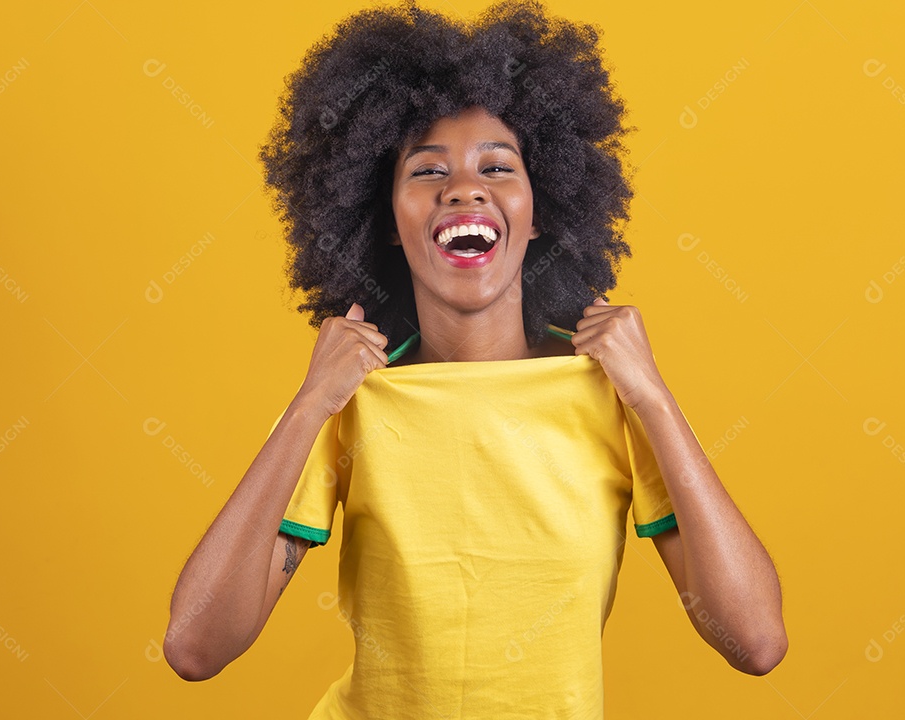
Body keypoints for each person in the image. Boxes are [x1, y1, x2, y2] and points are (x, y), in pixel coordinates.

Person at [163, 0, 788, 715]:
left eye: (498, 166)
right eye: (428, 173)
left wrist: (654, 397)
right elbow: (195, 647)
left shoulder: (613, 395)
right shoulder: (349, 398)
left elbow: (755, 641)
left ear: (540, 208)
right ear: (388, 222)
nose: (465, 187)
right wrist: (309, 405)